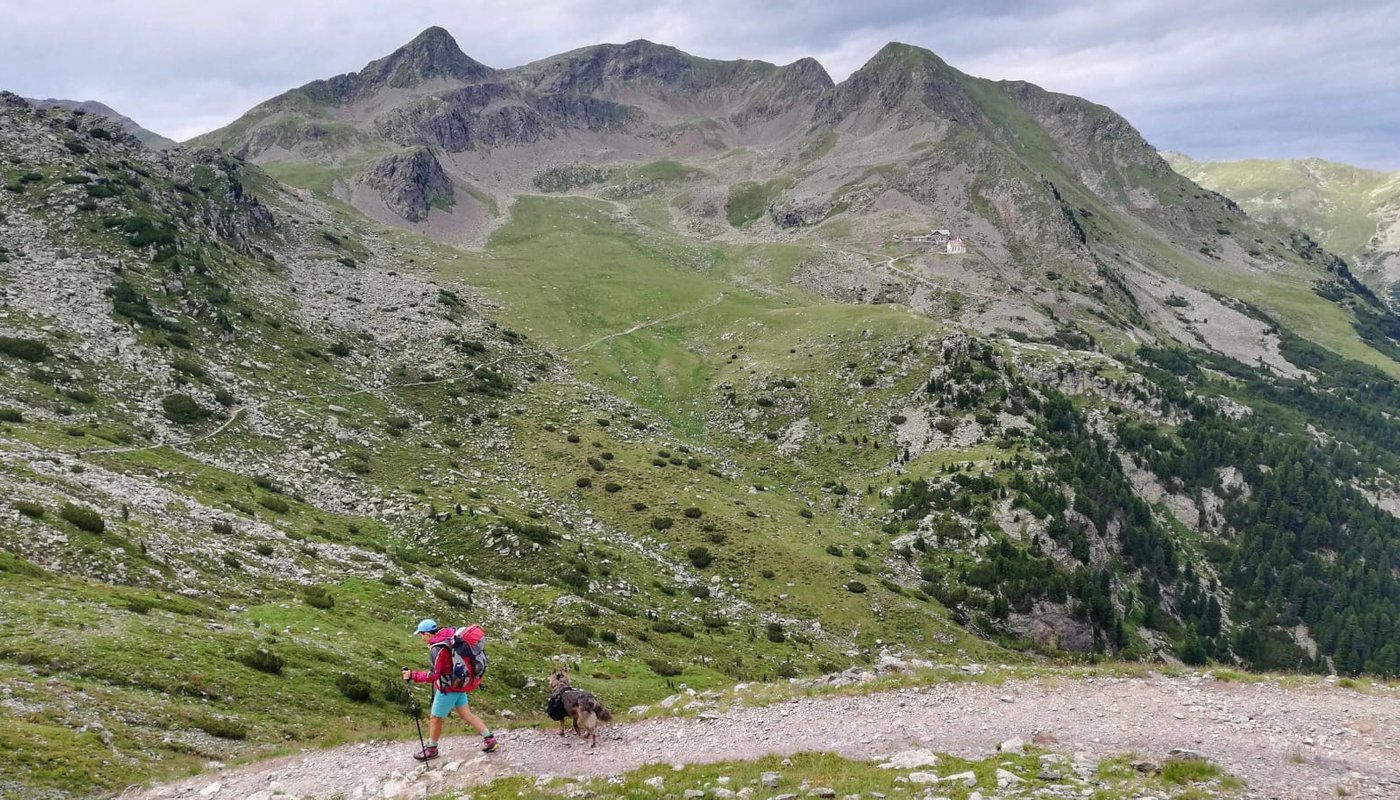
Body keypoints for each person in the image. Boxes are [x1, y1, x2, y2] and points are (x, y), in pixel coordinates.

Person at [402, 618, 498, 759]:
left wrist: (412, 675)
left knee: (435, 717)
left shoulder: (437, 648)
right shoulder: (449, 635)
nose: (421, 637)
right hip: (459, 684)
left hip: (448, 688)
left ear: (427, 634)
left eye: (421, 634)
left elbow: (434, 675)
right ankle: (489, 739)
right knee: (466, 714)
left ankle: (431, 749)